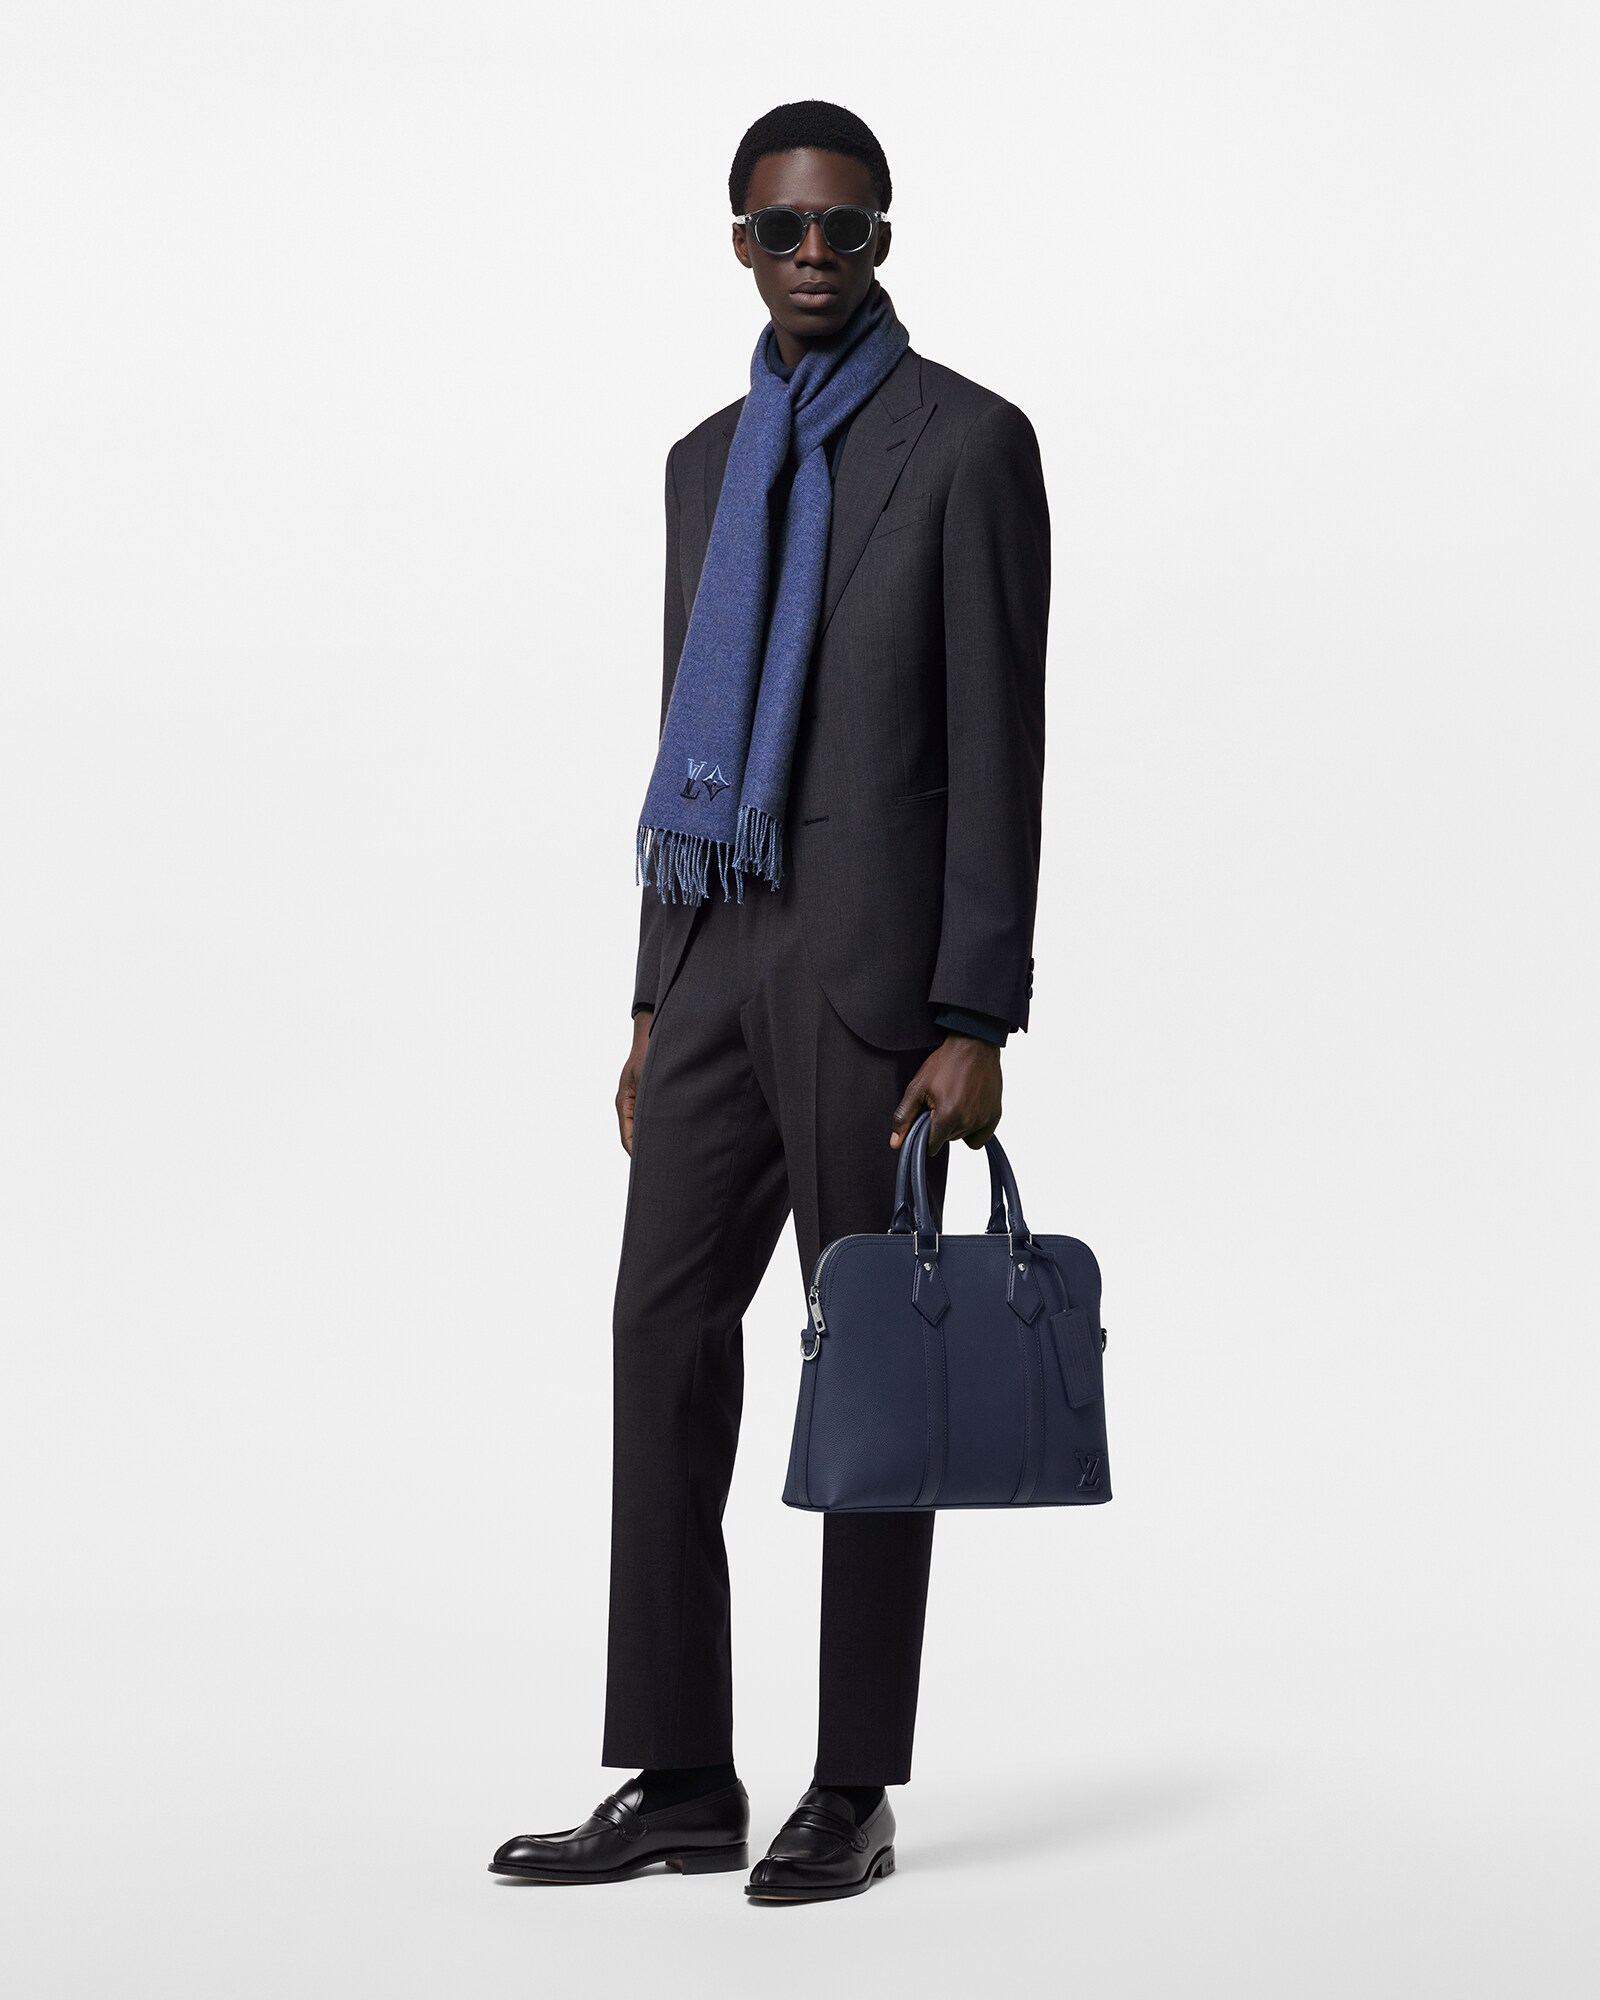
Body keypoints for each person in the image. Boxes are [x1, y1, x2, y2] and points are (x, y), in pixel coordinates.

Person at [490, 99, 1050, 1903]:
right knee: (662, 1334)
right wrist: (653, 994)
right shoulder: (703, 462)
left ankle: (853, 1784)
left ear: (885, 237)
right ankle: (679, 1775)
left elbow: (1001, 746)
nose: (815, 256)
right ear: (738, 239)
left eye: (847, 229)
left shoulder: (968, 443)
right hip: (717, 958)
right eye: (782, 229)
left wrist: (976, 1016)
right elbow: (690, 735)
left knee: (869, 1362)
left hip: (883, 984)